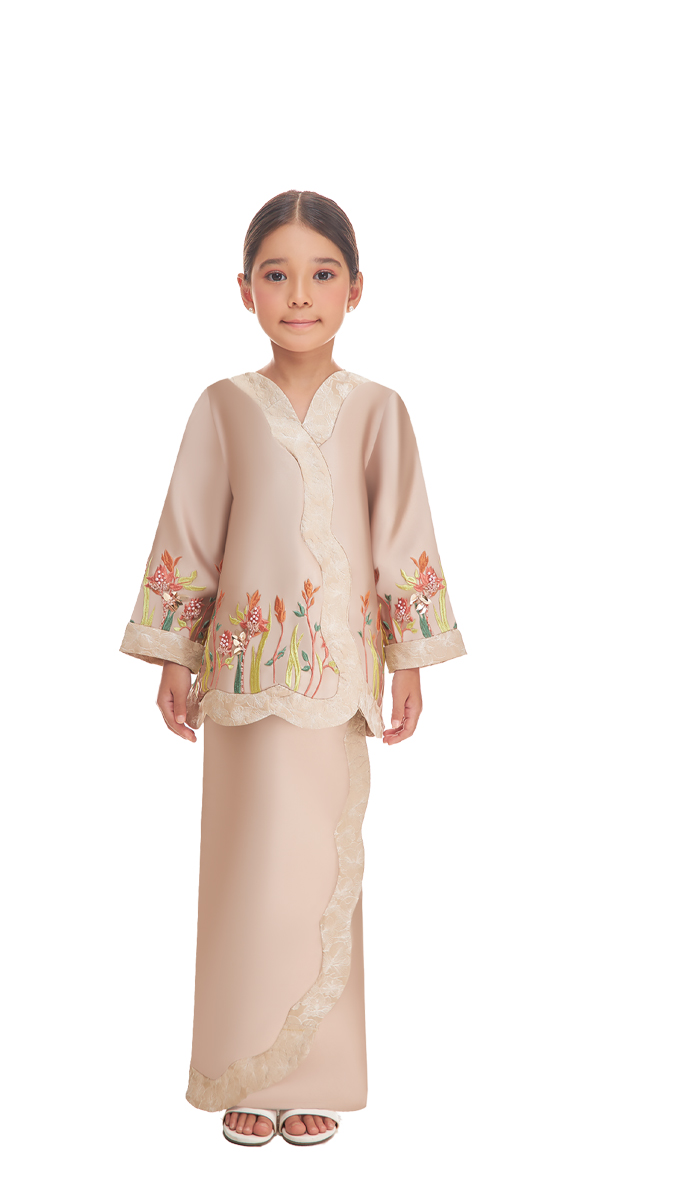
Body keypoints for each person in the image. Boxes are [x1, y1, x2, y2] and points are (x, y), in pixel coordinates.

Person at [119, 189, 467, 1146]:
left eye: (322, 274)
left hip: (338, 682)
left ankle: (316, 1073)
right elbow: (191, 530)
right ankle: (239, 1065)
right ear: (245, 290)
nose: (300, 295)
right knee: (245, 873)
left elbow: (403, 532)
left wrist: (412, 661)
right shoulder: (223, 408)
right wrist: (173, 653)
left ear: (356, 289)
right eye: (277, 274)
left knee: (319, 875)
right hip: (241, 682)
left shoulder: (380, 411)